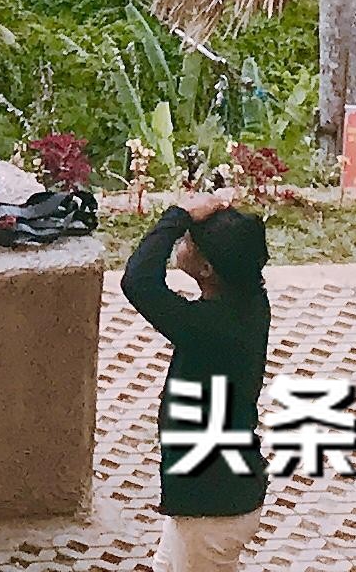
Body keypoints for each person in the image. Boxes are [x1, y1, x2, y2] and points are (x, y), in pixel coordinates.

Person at [121, 185, 271, 568]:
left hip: (213, 511)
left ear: (207, 270)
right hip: (214, 496)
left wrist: (180, 213)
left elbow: (137, 280)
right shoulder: (250, 302)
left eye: (189, 242)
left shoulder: (208, 328)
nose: (182, 244)